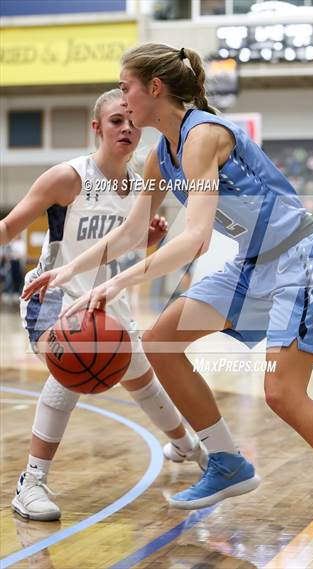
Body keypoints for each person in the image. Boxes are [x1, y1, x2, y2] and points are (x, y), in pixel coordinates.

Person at [23, 44, 313, 556]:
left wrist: (118, 284)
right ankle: (227, 462)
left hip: (301, 257)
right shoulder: (160, 154)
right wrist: (69, 269)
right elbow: (131, 231)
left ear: (154, 89)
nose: (122, 97)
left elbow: (194, 240)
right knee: (163, 339)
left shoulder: (204, 135)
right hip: (256, 265)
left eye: (126, 87)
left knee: (282, 395)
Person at [0, 88, 207, 522]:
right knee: (76, 366)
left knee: (140, 376)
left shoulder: (143, 184)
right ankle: (31, 483)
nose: (127, 127)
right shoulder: (68, 177)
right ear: (96, 127)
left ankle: (188, 448)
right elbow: (8, 228)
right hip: (52, 293)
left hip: (105, 295)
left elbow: (124, 250)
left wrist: (147, 242)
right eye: (116, 120)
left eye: (132, 119)